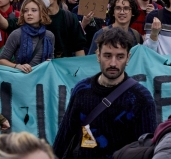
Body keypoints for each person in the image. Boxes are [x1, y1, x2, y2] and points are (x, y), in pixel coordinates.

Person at [53, 28, 157, 159]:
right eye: (107, 56)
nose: (113, 63)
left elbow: (147, 149)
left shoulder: (141, 98)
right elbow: (64, 135)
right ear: (98, 55)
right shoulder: (82, 90)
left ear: (128, 58)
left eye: (120, 56)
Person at [0, 0, 54, 72]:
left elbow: (51, 58)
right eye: (25, 11)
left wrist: (49, 62)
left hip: (42, 79)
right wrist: (17, 66)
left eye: (34, 10)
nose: (29, 13)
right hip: (22, 79)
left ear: (42, 12)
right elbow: (2, 60)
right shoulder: (17, 34)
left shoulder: (49, 35)